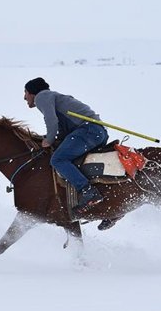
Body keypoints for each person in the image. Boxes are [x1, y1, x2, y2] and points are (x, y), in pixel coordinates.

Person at [24, 77, 109, 214]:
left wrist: (49, 140)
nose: (24, 97)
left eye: (25, 92)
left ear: (32, 93)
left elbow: (51, 120)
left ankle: (88, 192)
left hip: (88, 131)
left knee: (58, 159)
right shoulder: (56, 98)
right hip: (98, 132)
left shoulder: (42, 96)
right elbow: (64, 129)